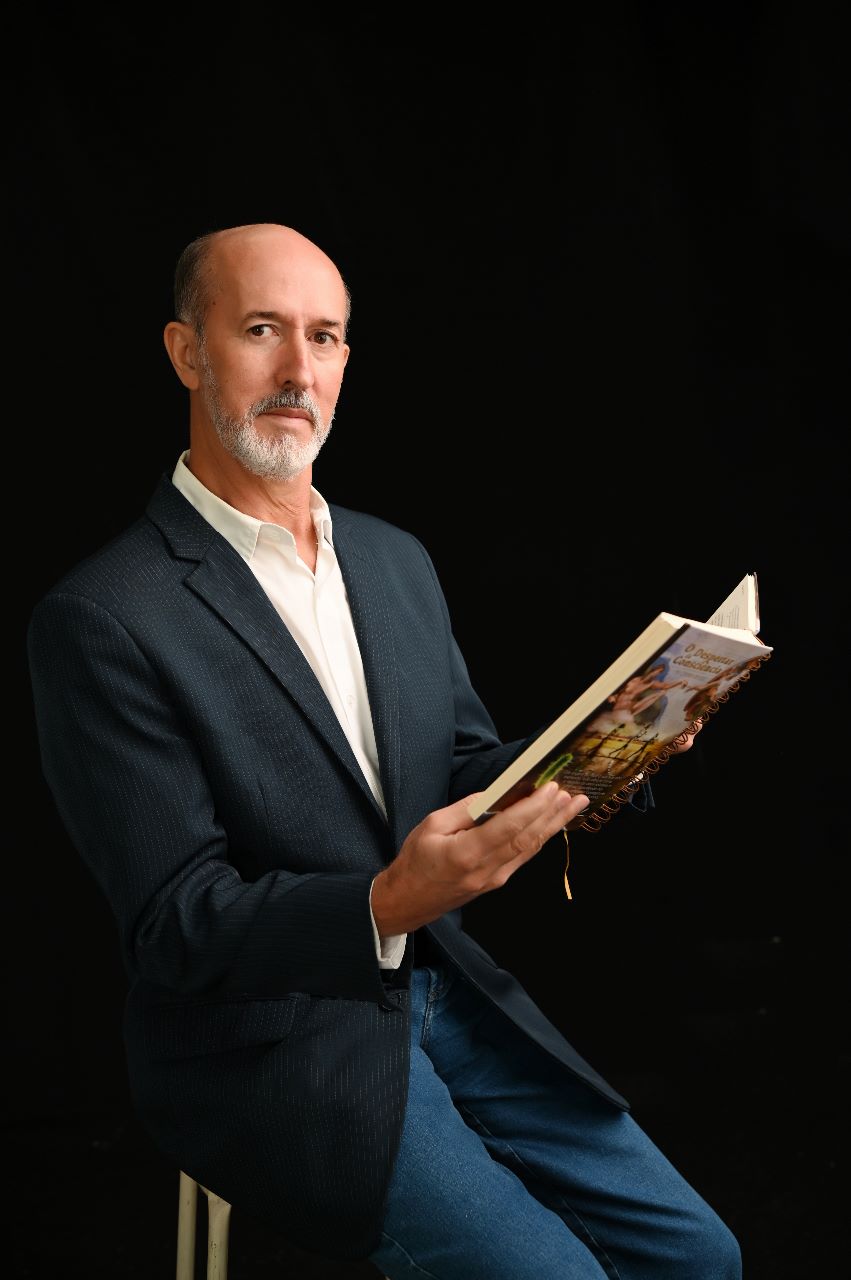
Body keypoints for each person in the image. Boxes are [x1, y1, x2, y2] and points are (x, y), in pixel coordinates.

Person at [27, 222, 741, 1279]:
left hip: (443, 994)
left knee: (700, 1255)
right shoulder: (103, 616)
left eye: (323, 336)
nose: (296, 368)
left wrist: (613, 749)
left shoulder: (392, 558)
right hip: (265, 1047)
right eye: (260, 329)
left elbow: (457, 774)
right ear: (186, 352)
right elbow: (177, 925)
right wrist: (386, 902)